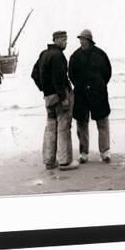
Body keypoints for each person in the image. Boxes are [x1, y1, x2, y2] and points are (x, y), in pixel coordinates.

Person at [35, 31, 79, 170]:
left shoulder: (44, 54)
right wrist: (63, 97)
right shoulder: (58, 55)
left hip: (48, 98)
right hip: (59, 97)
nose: (66, 42)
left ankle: (49, 161)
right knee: (63, 127)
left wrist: (44, 89)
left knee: (50, 128)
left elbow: (34, 74)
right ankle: (65, 161)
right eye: (64, 40)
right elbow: (59, 79)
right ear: (57, 40)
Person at [68, 29, 112, 163]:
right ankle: (83, 153)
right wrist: (80, 85)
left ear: (89, 40)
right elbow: (71, 75)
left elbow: (107, 73)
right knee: (81, 123)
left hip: (98, 92)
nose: (81, 41)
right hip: (81, 93)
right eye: (80, 39)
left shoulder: (100, 54)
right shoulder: (74, 56)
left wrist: (99, 85)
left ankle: (105, 152)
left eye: (83, 39)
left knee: (102, 121)